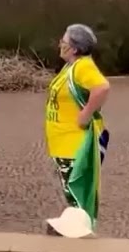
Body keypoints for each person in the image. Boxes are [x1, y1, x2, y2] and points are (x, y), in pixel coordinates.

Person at [43, 23, 111, 238]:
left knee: (77, 188)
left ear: (74, 48)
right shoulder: (70, 67)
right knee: (71, 188)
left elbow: (101, 87)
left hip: (75, 141)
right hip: (63, 140)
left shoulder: (83, 66)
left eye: (64, 42)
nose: (59, 45)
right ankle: (74, 227)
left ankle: (80, 231)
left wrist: (86, 114)